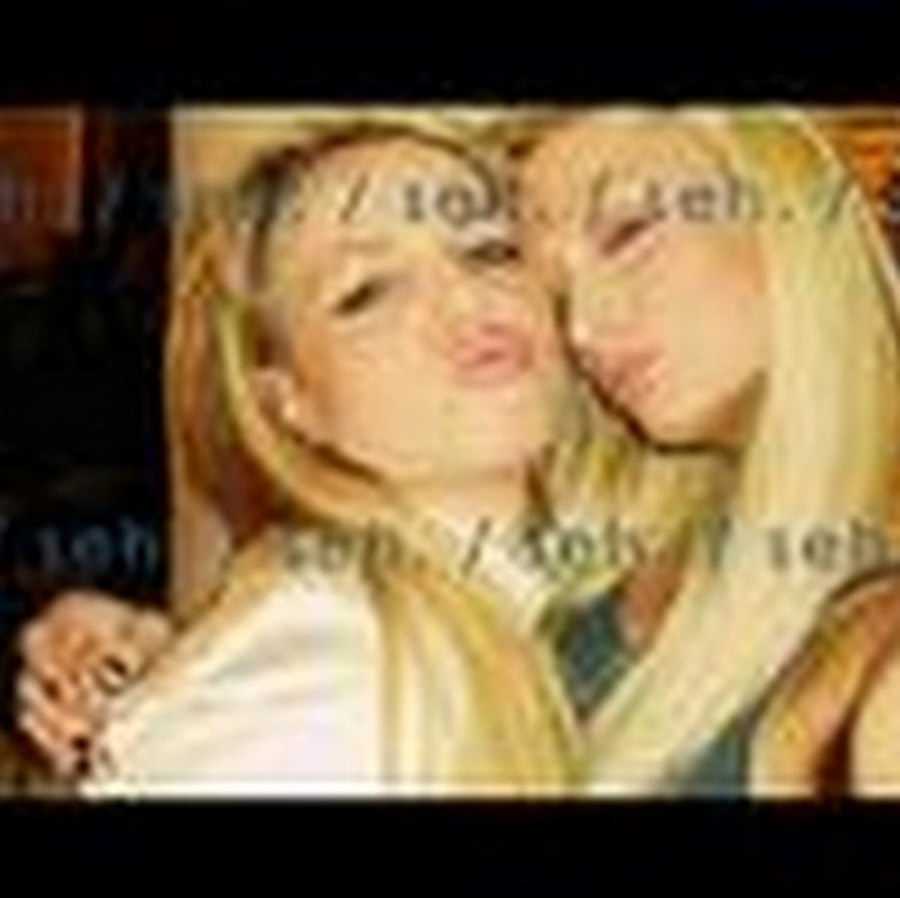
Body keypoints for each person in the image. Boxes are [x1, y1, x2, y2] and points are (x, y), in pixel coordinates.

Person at [74, 120, 598, 795]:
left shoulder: (559, 586)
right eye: (368, 291)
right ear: (287, 401)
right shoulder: (316, 696)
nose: (469, 300)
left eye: (489, 250)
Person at [512, 108, 900, 795]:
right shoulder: (609, 527)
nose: (582, 328)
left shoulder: (872, 659)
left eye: (627, 232)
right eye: (554, 291)